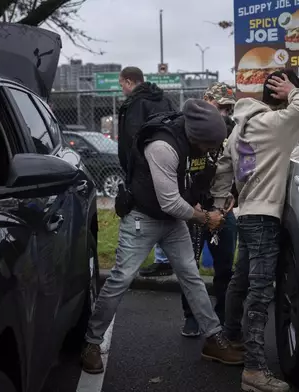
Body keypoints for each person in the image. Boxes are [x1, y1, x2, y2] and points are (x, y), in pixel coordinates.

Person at [81, 99, 243, 374]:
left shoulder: (196, 143)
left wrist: (204, 201)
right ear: (196, 137)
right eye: (209, 145)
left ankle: (213, 338)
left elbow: (193, 181)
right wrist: (204, 217)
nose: (211, 150)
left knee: (191, 276)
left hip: (173, 221)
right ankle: (91, 343)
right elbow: (169, 202)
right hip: (142, 218)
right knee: (121, 278)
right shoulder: (162, 147)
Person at [211, 70, 299, 392]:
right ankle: (254, 370)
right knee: (260, 292)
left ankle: (230, 338)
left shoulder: (238, 130)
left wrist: (221, 202)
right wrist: (294, 90)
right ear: (282, 93)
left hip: (246, 215)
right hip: (265, 216)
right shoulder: (278, 124)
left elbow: (222, 172)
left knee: (240, 280)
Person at [174, 83, 238, 337]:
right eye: (219, 106)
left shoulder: (233, 131)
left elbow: (238, 167)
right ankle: (191, 317)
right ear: (206, 100)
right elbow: (180, 172)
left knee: (225, 267)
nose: (223, 113)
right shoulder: (188, 129)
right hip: (194, 207)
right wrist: (191, 203)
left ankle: (222, 316)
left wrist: (235, 195)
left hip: (222, 207)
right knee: (189, 266)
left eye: (227, 108)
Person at [117, 66, 176, 277]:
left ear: (130, 82)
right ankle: (165, 259)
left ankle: (132, 264)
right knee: (166, 209)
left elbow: (131, 139)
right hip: (168, 164)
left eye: (122, 83)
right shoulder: (165, 99)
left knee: (141, 215)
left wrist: (130, 168)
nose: (121, 88)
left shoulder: (134, 104)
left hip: (142, 169)